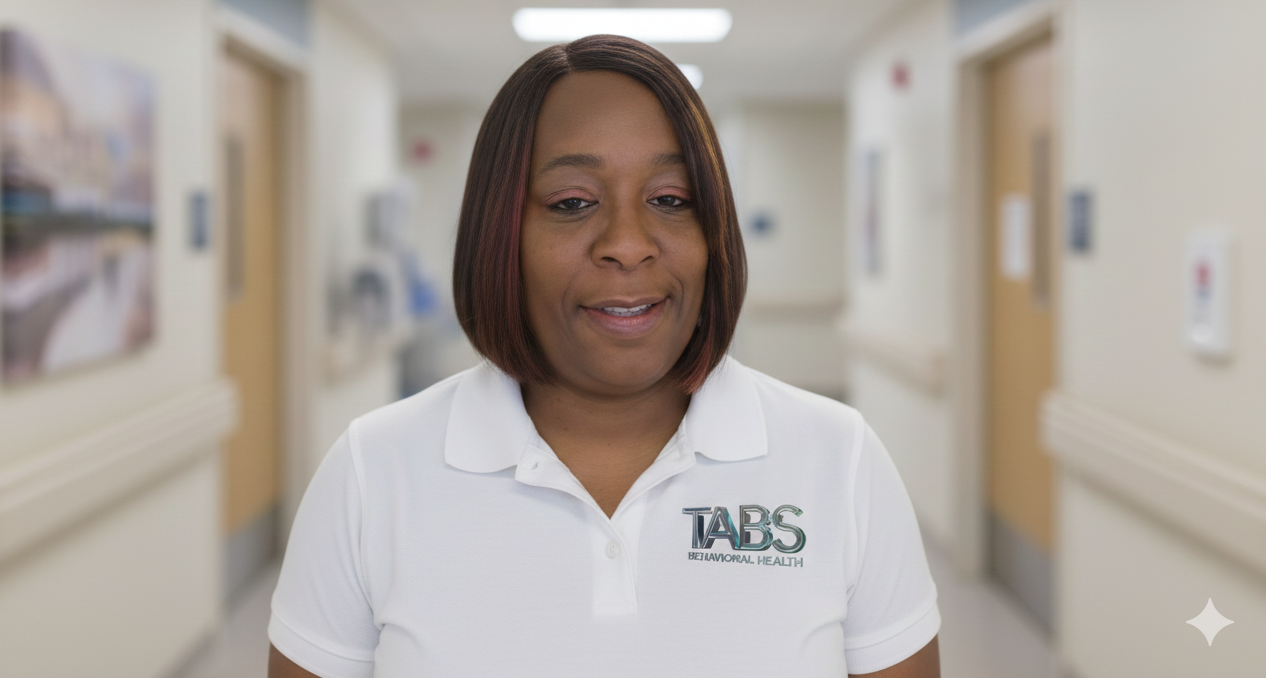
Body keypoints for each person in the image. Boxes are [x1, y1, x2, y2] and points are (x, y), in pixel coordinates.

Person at [268, 35, 941, 678]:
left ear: (713, 233)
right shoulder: (373, 472)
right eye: (572, 203)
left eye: (672, 200)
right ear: (501, 233)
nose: (627, 243)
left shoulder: (838, 460)